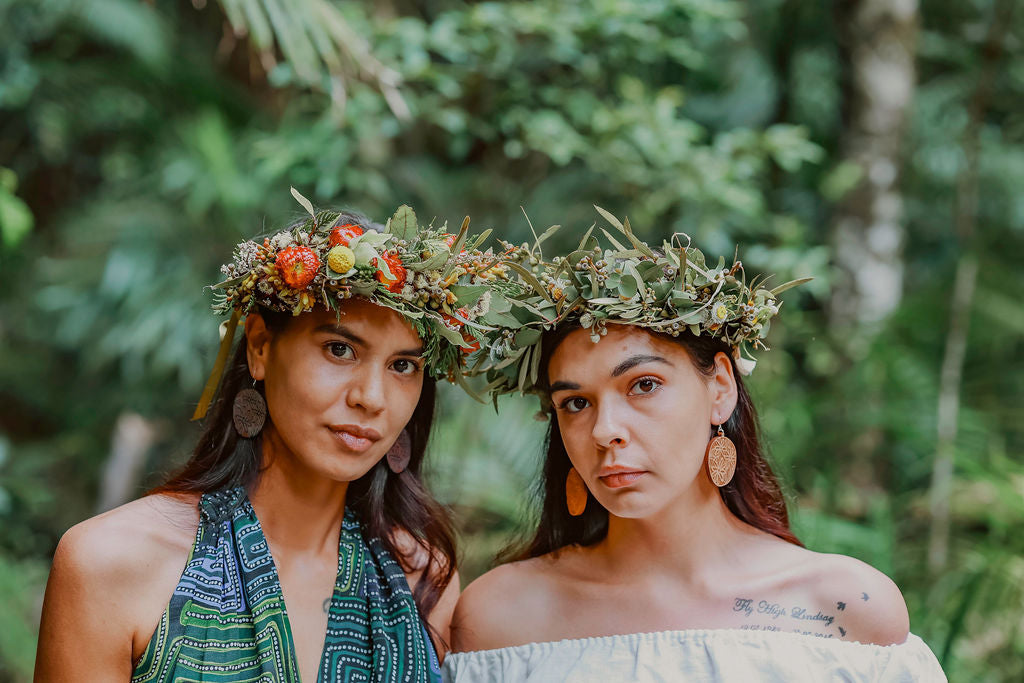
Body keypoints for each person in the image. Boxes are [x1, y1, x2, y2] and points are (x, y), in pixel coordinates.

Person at [444, 212, 947, 681]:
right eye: (576, 403)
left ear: (720, 388)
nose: (604, 430)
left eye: (643, 385)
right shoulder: (500, 617)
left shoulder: (844, 610)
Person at [35, 193, 507, 682]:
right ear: (261, 347)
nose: (372, 398)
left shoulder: (421, 579)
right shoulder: (112, 563)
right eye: (340, 349)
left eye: (403, 366)